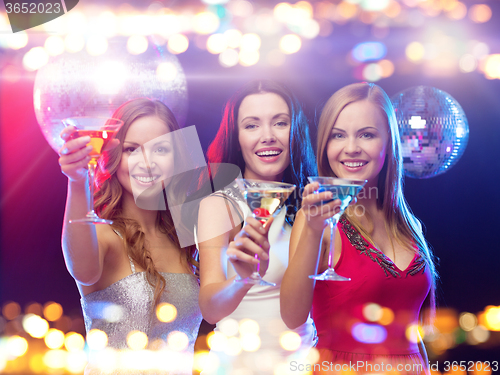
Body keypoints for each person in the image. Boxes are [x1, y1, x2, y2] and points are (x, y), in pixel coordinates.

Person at [280, 83, 437, 374]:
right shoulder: (317, 219)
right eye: (338, 135)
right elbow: (292, 316)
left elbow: (412, 334)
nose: (351, 148)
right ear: (325, 145)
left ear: (388, 142)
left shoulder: (409, 223)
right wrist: (313, 231)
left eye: (366, 134)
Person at [58, 98, 202, 375]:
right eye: (131, 149)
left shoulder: (187, 241)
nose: (146, 163)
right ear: (113, 156)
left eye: (160, 149)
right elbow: (84, 271)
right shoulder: (102, 235)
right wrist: (77, 180)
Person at [197, 80, 318, 374]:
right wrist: (244, 279)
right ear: (236, 136)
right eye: (252, 126)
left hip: (300, 365)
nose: (267, 136)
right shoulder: (220, 204)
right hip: (236, 366)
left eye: (280, 123)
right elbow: (210, 308)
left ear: (296, 131)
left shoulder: (313, 205)